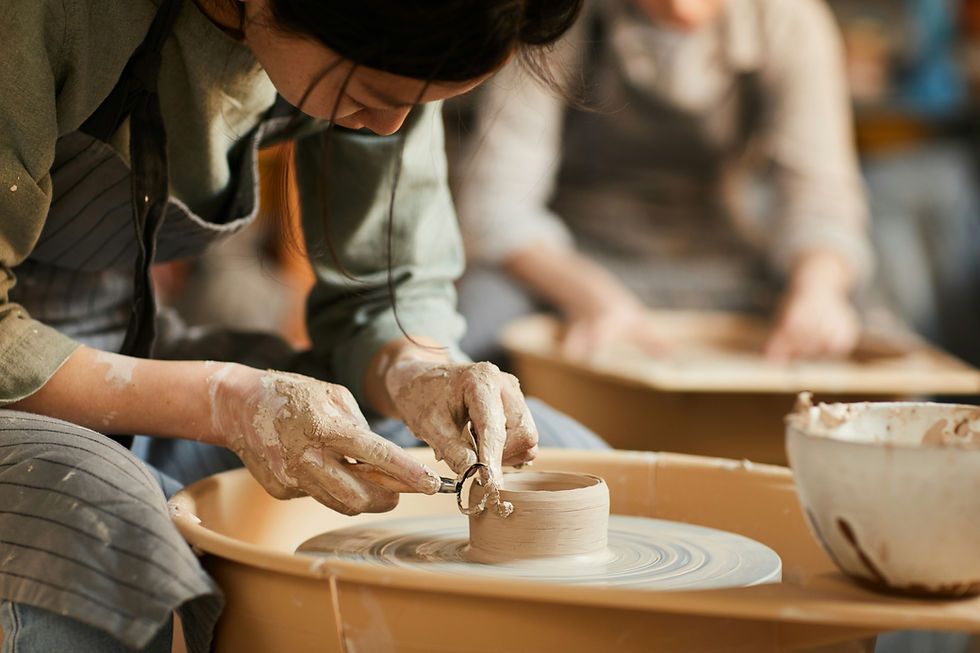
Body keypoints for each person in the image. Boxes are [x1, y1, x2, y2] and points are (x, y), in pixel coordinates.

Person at [0, 1, 606, 651]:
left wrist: (418, 369)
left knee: (573, 452)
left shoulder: (407, 36)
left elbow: (386, 288)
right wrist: (224, 401)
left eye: (418, 104)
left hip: (131, 345)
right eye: (375, 93)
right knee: (98, 526)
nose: (390, 127)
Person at [452, 0, 875, 364]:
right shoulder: (562, 16)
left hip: (716, 264)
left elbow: (820, 195)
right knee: (476, 322)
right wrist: (592, 297)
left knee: (857, 318)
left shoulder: (788, 21)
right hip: (573, 258)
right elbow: (495, 203)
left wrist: (816, 291)